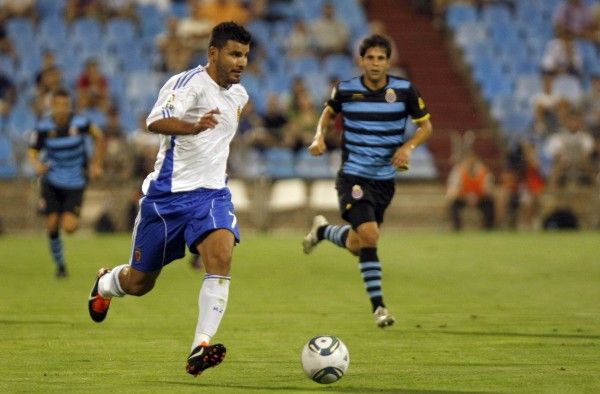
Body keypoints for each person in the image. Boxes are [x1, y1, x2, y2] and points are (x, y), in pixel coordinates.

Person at [86, 22, 252, 378]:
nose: (241, 62)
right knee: (139, 284)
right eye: (234, 54)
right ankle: (105, 282)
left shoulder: (239, 96)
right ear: (213, 53)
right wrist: (192, 127)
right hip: (166, 200)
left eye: (245, 56)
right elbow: (154, 121)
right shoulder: (187, 84)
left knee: (221, 256)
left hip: (211, 195)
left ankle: (200, 346)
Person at [302, 34, 433, 328]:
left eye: (381, 58)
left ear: (389, 61)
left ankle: (323, 231)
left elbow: (426, 127)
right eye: (370, 58)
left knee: (358, 243)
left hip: (384, 181)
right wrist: (319, 136)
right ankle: (379, 308)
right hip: (353, 176)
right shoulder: (346, 90)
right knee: (371, 236)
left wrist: (407, 147)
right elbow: (327, 114)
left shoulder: (404, 91)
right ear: (361, 61)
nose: (375, 64)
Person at [27, 89, 105, 278]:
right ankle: (61, 266)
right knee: (52, 224)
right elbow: (32, 151)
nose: (62, 108)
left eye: (66, 104)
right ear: (52, 105)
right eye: (58, 105)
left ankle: (65, 214)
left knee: (69, 228)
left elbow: (99, 137)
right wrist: (37, 165)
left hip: (76, 181)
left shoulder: (81, 123)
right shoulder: (43, 127)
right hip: (52, 180)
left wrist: (96, 164)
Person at [446, 150, 495, 231]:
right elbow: (452, 191)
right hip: (463, 198)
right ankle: (456, 228)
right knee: (453, 203)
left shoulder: (484, 172)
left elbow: (488, 190)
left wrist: (478, 197)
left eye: (473, 162)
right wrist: (465, 196)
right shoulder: (458, 172)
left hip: (480, 198)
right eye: (468, 161)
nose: (470, 164)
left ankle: (488, 228)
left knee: (489, 203)